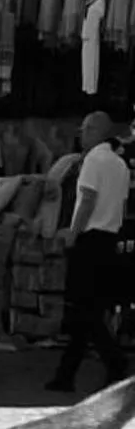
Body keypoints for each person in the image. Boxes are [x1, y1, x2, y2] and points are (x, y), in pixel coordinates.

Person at [46, 113, 130, 394]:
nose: (81, 135)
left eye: (84, 130)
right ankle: (65, 375)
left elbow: (88, 200)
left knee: (85, 311)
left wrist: (73, 232)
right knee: (87, 311)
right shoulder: (119, 164)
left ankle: (115, 362)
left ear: (95, 131)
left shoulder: (93, 160)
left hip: (89, 240)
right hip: (109, 240)